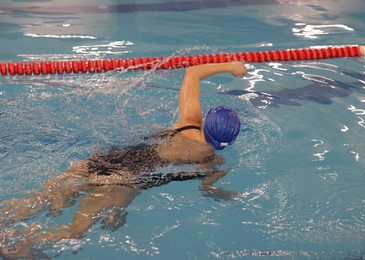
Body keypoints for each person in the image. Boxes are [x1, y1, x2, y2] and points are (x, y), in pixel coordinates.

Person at [0, 62, 247, 258]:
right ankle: (24, 244)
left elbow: (192, 73)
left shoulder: (189, 122)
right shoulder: (212, 163)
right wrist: (224, 193)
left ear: (207, 124)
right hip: (123, 181)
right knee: (75, 231)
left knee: (44, 197)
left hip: (108, 158)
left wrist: (231, 65)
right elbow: (208, 191)